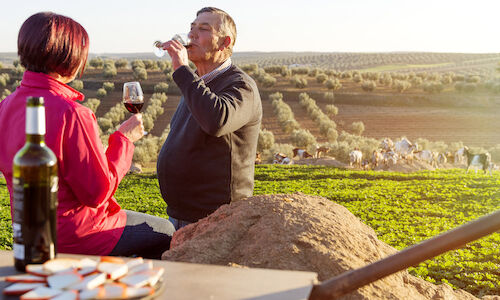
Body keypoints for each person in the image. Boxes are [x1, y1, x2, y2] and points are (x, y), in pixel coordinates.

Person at [0, 12, 174, 259]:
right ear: (68, 56)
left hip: (30, 233)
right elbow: (96, 194)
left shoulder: (6, 106)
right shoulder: (72, 113)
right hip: (80, 236)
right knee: (166, 231)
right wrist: (124, 140)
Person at [157, 7, 262, 229]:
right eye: (192, 28)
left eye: (203, 29)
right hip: (181, 214)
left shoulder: (241, 86)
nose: (192, 35)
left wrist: (181, 69)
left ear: (225, 42)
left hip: (216, 219)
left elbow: (217, 120)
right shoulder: (197, 83)